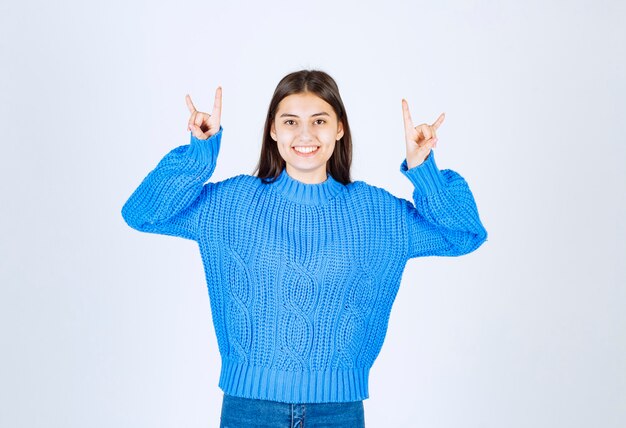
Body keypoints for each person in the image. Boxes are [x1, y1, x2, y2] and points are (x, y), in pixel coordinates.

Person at [121, 69, 488, 428]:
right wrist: (198, 156)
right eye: (291, 121)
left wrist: (424, 169)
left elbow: (464, 235)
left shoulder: (378, 213)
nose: (305, 134)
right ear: (273, 129)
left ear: (339, 128)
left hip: (338, 412)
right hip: (249, 409)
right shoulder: (230, 204)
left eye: (319, 120)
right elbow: (142, 214)